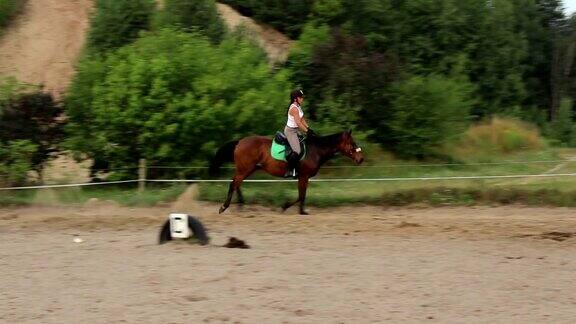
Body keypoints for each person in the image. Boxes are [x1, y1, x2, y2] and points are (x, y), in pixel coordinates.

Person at [284, 89, 312, 178]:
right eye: (301, 98)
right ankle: (289, 170)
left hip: (296, 130)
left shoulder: (298, 106)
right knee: (297, 150)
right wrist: (306, 131)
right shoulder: (294, 109)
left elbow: (302, 119)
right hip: (290, 131)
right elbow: (298, 123)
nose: (302, 99)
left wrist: (308, 128)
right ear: (296, 99)